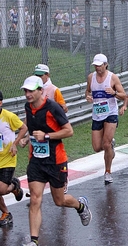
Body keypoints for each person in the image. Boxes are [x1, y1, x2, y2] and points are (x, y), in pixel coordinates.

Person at [20, 76, 92, 246]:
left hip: (56, 160)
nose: (28, 94)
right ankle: (34, 241)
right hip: (36, 161)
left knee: (59, 201)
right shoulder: (28, 107)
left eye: (31, 91)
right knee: (35, 199)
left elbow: (69, 131)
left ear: (40, 91)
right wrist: (24, 139)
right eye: (25, 91)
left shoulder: (53, 107)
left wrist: (46, 136)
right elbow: (30, 125)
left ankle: (80, 205)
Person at [85, 54, 126, 184]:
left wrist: (114, 93)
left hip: (110, 113)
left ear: (105, 64)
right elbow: (87, 91)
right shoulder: (91, 77)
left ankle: (107, 172)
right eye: (95, 66)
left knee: (106, 143)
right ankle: (110, 148)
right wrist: (88, 97)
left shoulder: (112, 78)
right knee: (97, 147)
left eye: (100, 65)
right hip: (97, 114)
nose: (97, 68)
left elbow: (123, 95)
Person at [0, 91, 26, 227]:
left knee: (1, 189)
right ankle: (6, 213)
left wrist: (15, 143)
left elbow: (24, 128)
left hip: (7, 159)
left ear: (0, 102)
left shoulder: (9, 116)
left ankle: (14, 185)